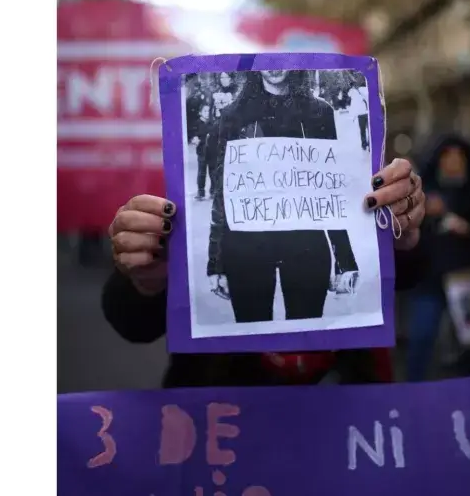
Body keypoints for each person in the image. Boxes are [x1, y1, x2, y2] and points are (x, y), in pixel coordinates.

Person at [103, 156, 424, 388]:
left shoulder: (350, 171)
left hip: (347, 427)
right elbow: (131, 321)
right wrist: (146, 278)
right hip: (216, 429)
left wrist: (402, 234)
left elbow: (413, 269)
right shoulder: (193, 190)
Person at [205, 70, 360, 322]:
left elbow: (328, 190)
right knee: (253, 345)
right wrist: (216, 262)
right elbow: (222, 192)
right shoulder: (232, 116)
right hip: (246, 248)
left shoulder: (319, 113)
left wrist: (345, 260)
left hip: (306, 245)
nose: (274, 66)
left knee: (305, 342)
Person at [401, 133, 470, 382]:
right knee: (421, 337)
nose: (452, 162)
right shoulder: (423, 193)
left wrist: (468, 229)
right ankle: (413, 393)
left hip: (467, 280)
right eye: (447, 157)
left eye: (458, 157)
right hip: (429, 279)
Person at [192, 105, 211, 200]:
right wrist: (195, 139)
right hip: (201, 151)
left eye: (208, 111)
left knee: (213, 172)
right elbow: (194, 135)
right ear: (200, 113)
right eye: (205, 111)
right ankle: (201, 191)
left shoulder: (211, 123)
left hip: (212, 151)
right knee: (201, 172)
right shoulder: (197, 123)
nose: (207, 113)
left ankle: (213, 190)